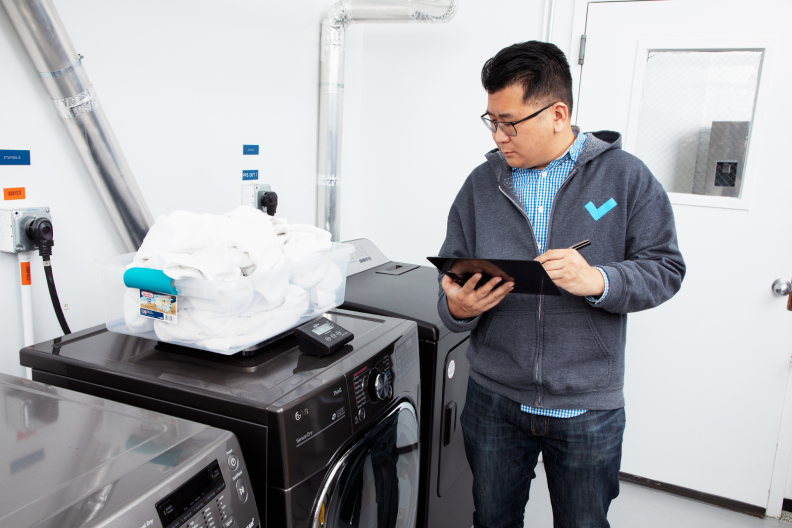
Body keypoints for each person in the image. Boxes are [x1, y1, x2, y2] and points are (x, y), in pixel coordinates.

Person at [436, 41, 686, 528]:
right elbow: (450, 283)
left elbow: (666, 267)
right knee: (491, 520)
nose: (498, 135)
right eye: (491, 121)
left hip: (587, 406)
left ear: (557, 113)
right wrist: (460, 309)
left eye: (509, 122)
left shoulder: (626, 177)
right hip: (494, 399)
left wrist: (598, 280)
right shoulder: (479, 185)